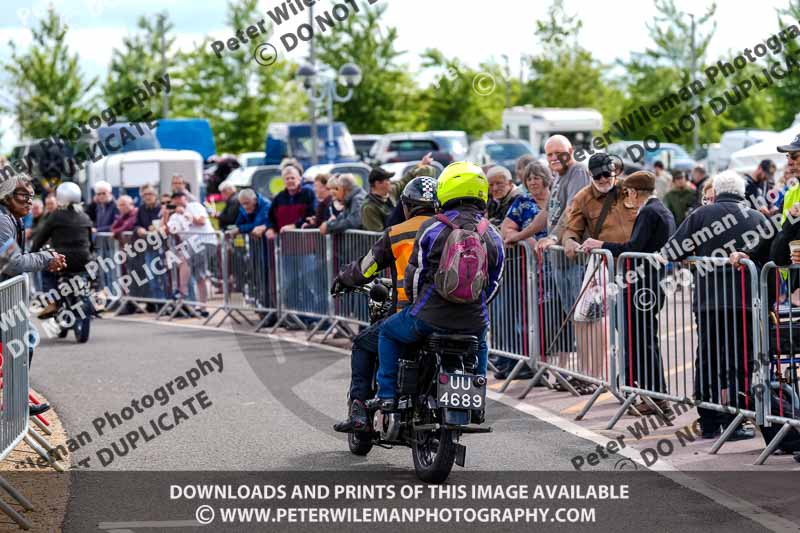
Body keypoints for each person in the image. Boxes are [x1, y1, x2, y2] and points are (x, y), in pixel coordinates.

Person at [375, 162, 504, 411]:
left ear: (445, 189)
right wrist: (474, 304)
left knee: (388, 332)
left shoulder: (433, 227)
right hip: (473, 320)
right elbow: (495, 282)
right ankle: (478, 400)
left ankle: (387, 396)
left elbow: (416, 274)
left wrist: (415, 305)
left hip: (428, 316)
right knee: (481, 341)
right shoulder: (494, 235)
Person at [661, 170, 771, 441]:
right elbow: (772, 256)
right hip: (744, 301)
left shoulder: (700, 215)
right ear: (742, 192)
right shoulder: (757, 218)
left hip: (709, 301)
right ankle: (735, 421)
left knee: (708, 359)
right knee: (740, 361)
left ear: (718, 190)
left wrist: (700, 252)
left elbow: (672, 252)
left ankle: (709, 422)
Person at [330, 177, 438, 432]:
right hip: (451, 316)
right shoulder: (451, 230)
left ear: (407, 206)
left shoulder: (397, 233)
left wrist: (343, 278)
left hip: (406, 314)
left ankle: (360, 411)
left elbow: (365, 268)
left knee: (362, 343)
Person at [582, 171, 676, 415]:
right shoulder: (660, 210)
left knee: (640, 342)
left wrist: (601, 245)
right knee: (643, 341)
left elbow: (634, 247)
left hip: (642, 285)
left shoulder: (649, 212)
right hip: (650, 284)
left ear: (634, 192)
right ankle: (652, 395)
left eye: (628, 193)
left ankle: (654, 396)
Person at [549, 152, 638, 392]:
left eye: (607, 174)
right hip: (606, 270)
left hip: (637, 266)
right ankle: (603, 377)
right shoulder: (583, 197)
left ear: (614, 172)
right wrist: (569, 243)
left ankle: (632, 378)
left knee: (634, 327)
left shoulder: (631, 190)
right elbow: (571, 230)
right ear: (590, 175)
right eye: (598, 176)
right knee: (604, 323)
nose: (603, 179)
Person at [0, 175, 67, 416]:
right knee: (24, 340)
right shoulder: (2, 220)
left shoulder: (12, 219)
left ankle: (15, 400)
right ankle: (15, 403)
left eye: (31, 196)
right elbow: (12, 263)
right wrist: (46, 258)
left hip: (7, 299)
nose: (29, 201)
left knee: (24, 339)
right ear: (6, 196)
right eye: (23, 196)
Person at [32, 181, 94, 315]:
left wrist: (33, 251)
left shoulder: (55, 216)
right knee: (91, 275)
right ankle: (98, 297)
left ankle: (52, 302)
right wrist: (91, 253)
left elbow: (41, 237)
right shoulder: (84, 216)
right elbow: (90, 241)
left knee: (46, 271)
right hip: (83, 259)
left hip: (62, 259)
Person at [166, 191, 217, 317]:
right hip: (191, 245)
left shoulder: (195, 206)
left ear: (185, 198)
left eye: (180, 197)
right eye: (175, 199)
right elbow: (169, 231)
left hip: (205, 241)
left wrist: (185, 214)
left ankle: (181, 291)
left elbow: (202, 221)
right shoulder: (174, 216)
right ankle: (202, 307)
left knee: (184, 258)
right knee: (199, 276)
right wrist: (166, 215)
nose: (178, 200)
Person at [501, 160, 551, 245]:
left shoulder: (558, 199)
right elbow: (506, 229)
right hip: (531, 256)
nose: (532, 182)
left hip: (559, 254)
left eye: (536, 178)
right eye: (529, 179)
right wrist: (525, 238)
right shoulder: (522, 202)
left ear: (545, 179)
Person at [133, 185, 166, 307]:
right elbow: (136, 224)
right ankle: (158, 304)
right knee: (151, 277)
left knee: (163, 277)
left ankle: (165, 303)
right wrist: (139, 229)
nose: (147, 197)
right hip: (148, 247)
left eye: (150, 194)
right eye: (145, 195)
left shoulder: (161, 208)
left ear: (155, 195)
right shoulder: (141, 209)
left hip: (163, 246)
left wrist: (159, 228)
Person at [267, 165, 315, 238]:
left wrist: (295, 226)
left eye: (293, 178)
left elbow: (311, 214)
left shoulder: (308, 193)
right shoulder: (279, 198)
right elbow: (271, 217)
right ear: (283, 181)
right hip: (285, 241)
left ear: (299, 179)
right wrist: (271, 228)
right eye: (287, 179)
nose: (290, 181)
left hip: (305, 240)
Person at [361, 167, 395, 232]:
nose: (390, 182)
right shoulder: (369, 207)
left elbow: (402, 183)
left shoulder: (388, 198)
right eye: (387, 180)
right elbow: (378, 235)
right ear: (378, 183)